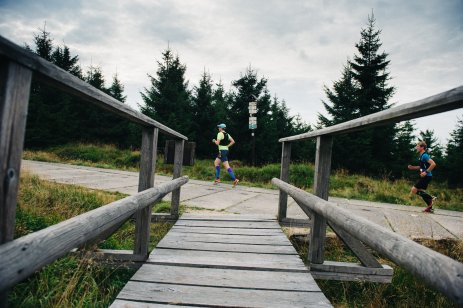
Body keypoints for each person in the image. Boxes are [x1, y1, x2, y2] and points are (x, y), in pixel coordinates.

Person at [407, 141, 437, 213]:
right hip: (425, 177)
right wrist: (413, 167)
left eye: (417, 146)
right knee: (421, 192)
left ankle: (431, 197)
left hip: (427, 176)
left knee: (414, 189)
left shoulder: (425, 155)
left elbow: (433, 164)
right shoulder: (421, 156)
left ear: (422, 147)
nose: (416, 147)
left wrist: (426, 172)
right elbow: (421, 167)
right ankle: (430, 208)